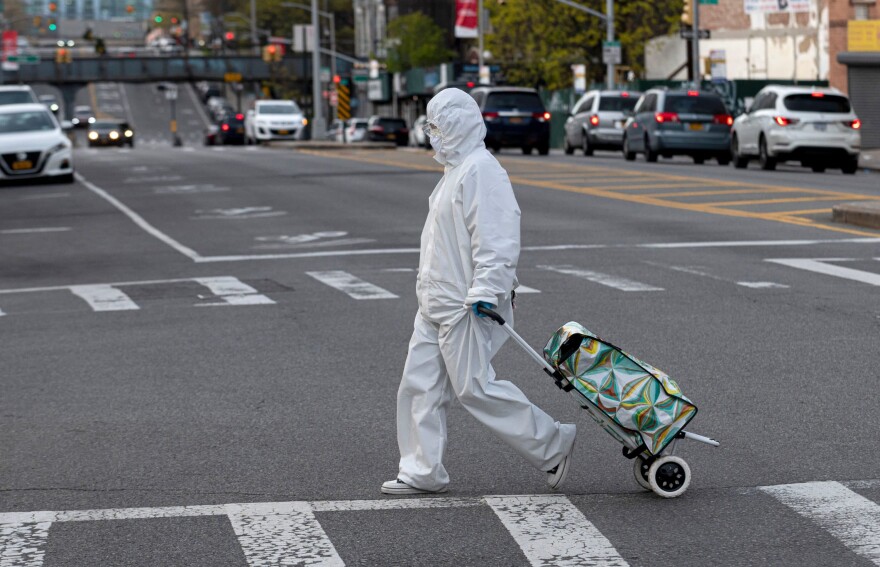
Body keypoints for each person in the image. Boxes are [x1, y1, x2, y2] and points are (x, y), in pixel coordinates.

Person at [381, 88, 577, 496]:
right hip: (435, 301)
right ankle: (421, 470)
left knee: (475, 387)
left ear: (457, 124)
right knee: (419, 385)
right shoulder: (456, 171)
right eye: (431, 127)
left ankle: (553, 442)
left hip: (463, 303)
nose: (433, 135)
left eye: (438, 126)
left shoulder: (480, 170)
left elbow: (497, 238)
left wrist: (487, 288)